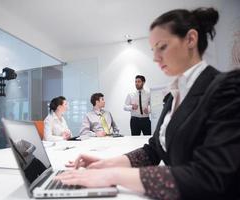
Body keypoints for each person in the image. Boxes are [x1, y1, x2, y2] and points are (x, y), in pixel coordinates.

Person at [55, 7, 240, 200]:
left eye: (162, 46)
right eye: (153, 50)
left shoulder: (227, 88)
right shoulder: (175, 94)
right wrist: (108, 164)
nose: (155, 57)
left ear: (191, 39)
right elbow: (154, 150)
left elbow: (211, 178)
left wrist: (112, 175)